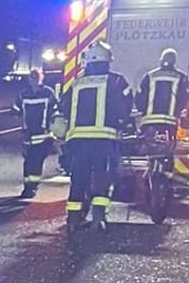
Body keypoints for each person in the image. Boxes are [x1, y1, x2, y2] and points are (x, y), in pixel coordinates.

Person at [57, 39, 134, 232]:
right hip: (104, 141)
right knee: (103, 177)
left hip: (78, 142)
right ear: (107, 61)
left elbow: (63, 107)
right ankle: (98, 219)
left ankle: (73, 219)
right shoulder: (116, 81)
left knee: (78, 179)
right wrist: (125, 123)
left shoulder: (76, 83)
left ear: (89, 62)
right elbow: (125, 107)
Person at [134, 48, 189, 171]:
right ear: (174, 62)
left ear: (161, 60)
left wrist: (143, 112)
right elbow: (184, 100)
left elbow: (139, 98)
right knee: (167, 151)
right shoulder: (181, 78)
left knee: (149, 149)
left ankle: (148, 174)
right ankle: (166, 177)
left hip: (148, 122)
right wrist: (177, 113)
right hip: (169, 123)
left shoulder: (149, 76)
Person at [11, 68, 58, 199]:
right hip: (28, 136)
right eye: (32, 77)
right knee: (28, 163)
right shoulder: (23, 94)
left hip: (43, 135)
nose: (34, 79)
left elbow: (55, 110)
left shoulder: (48, 93)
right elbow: (16, 110)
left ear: (41, 78)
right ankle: (28, 187)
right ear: (29, 79)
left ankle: (32, 188)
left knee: (36, 162)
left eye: (36, 77)